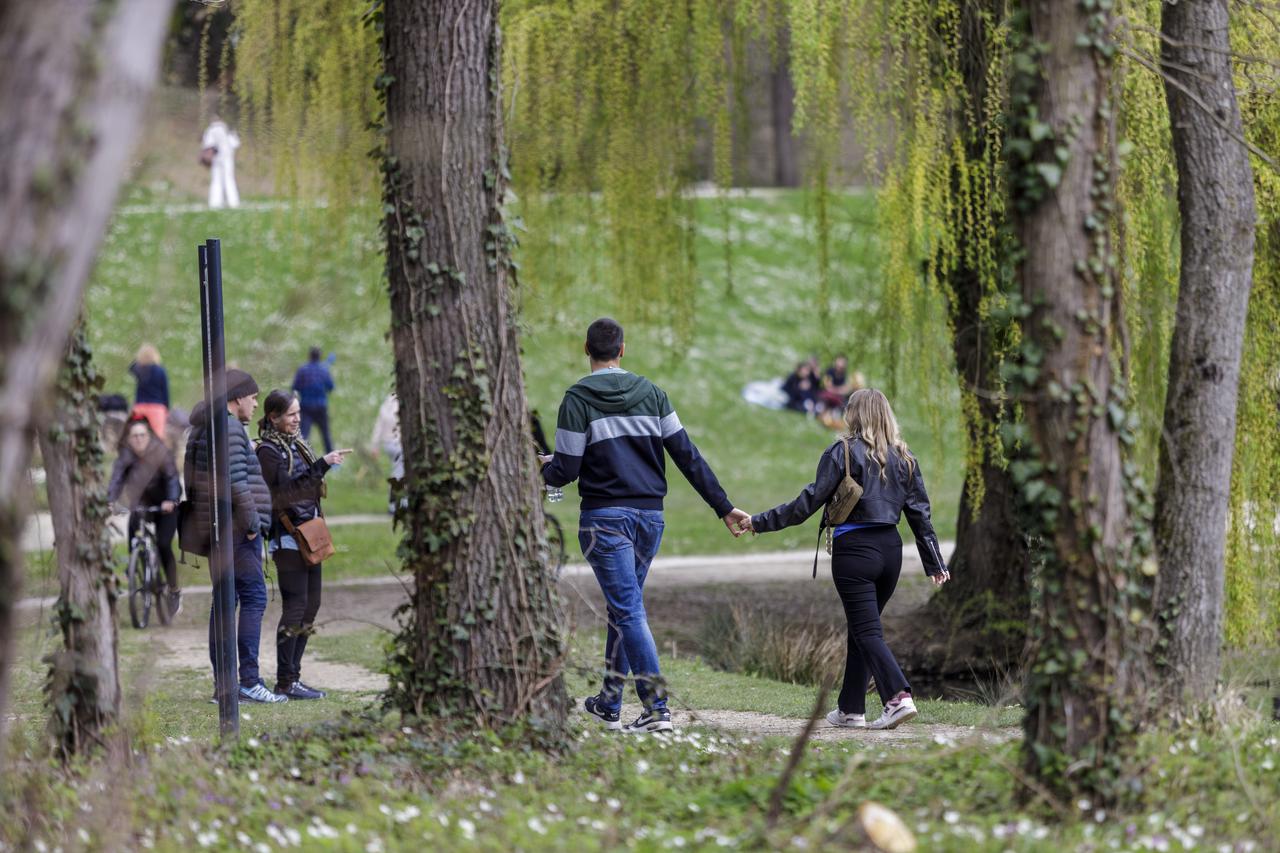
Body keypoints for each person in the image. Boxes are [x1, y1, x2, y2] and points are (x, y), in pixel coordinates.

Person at [540, 318, 750, 734]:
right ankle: (610, 701)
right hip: (651, 519)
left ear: (587, 349)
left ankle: (656, 708)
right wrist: (723, 507)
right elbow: (687, 456)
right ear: (623, 349)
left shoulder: (577, 399)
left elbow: (566, 469)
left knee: (628, 610)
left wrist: (541, 468)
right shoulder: (653, 395)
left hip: (606, 521)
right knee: (626, 608)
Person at [743, 388, 950, 731]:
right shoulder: (905, 457)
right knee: (861, 628)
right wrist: (935, 564)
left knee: (867, 630)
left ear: (854, 415)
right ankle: (851, 709)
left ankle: (897, 697)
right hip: (890, 552)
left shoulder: (842, 451)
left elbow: (807, 503)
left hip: (855, 551)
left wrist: (758, 522)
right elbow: (920, 515)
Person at [185, 369, 283, 703]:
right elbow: (236, 482)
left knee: (225, 602)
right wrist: (255, 524)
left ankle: (224, 686)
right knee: (253, 598)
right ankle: (248, 681)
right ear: (237, 397)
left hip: (216, 531)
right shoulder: (227, 428)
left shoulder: (203, 428)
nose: (256, 404)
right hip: (238, 531)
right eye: (253, 397)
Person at [256, 390, 348, 700]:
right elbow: (285, 494)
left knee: (311, 606)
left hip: (311, 532)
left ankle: (294, 675)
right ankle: (285, 680)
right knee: (295, 607)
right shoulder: (268, 451)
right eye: (291, 414)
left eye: (298, 413)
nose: (297, 419)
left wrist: (320, 466)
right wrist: (321, 465)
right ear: (274, 417)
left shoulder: (297, 445)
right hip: (288, 537)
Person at [108, 415, 182, 614]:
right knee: (133, 527)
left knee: (164, 544)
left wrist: (172, 500)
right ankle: (136, 567)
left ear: (148, 436)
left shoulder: (160, 452)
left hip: (165, 506)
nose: (139, 439)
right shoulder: (126, 455)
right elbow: (116, 479)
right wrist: (110, 501)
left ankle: (173, 589)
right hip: (141, 506)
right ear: (129, 439)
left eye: (142, 435)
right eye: (134, 436)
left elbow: (172, 478)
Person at [292, 347, 336, 453]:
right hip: (321, 406)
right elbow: (330, 387)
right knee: (325, 434)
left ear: (309, 356)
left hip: (306, 406)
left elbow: (295, 387)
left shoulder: (302, 370)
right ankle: (332, 459)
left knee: (304, 434)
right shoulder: (324, 370)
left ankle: (301, 455)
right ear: (320, 357)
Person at [369, 391, 402, 514]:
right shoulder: (402, 404)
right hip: (399, 443)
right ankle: (396, 505)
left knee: (397, 472)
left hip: (388, 444)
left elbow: (379, 426)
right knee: (399, 474)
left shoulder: (386, 405)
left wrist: (375, 445)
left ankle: (398, 504)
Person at [129, 344, 170, 440]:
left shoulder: (139, 370)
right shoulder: (160, 370)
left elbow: (131, 367)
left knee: (138, 437)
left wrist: (140, 358)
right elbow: (165, 391)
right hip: (157, 408)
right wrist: (167, 408)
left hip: (140, 407)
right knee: (157, 439)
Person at [201, 115, 241, 209]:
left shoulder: (210, 130)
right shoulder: (226, 129)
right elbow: (235, 143)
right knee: (229, 179)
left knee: (216, 180)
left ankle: (215, 202)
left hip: (216, 159)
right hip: (228, 158)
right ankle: (233, 202)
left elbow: (207, 145)